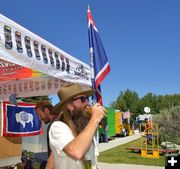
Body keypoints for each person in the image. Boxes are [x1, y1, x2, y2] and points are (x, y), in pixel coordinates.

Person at [49, 83, 106, 169]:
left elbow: (92, 160)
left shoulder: (85, 127)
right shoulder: (57, 127)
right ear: (69, 105)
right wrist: (94, 119)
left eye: (87, 98)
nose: (87, 103)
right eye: (82, 99)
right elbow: (76, 152)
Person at [35, 101, 59, 169]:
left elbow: (54, 154)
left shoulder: (55, 125)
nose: (40, 118)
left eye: (40, 115)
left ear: (46, 110)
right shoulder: (59, 121)